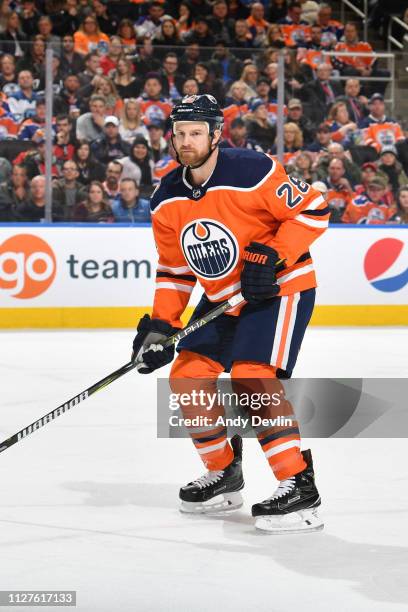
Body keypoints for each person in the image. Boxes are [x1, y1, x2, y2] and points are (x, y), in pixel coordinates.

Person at [131, 94, 329, 533]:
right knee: (187, 375)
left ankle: (298, 485)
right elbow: (175, 269)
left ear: (216, 134)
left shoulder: (251, 169)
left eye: (196, 133)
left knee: (252, 375)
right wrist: (162, 325)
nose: (187, 141)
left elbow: (314, 212)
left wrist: (271, 256)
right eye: (180, 133)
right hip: (223, 298)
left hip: (279, 288)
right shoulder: (165, 198)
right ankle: (224, 474)